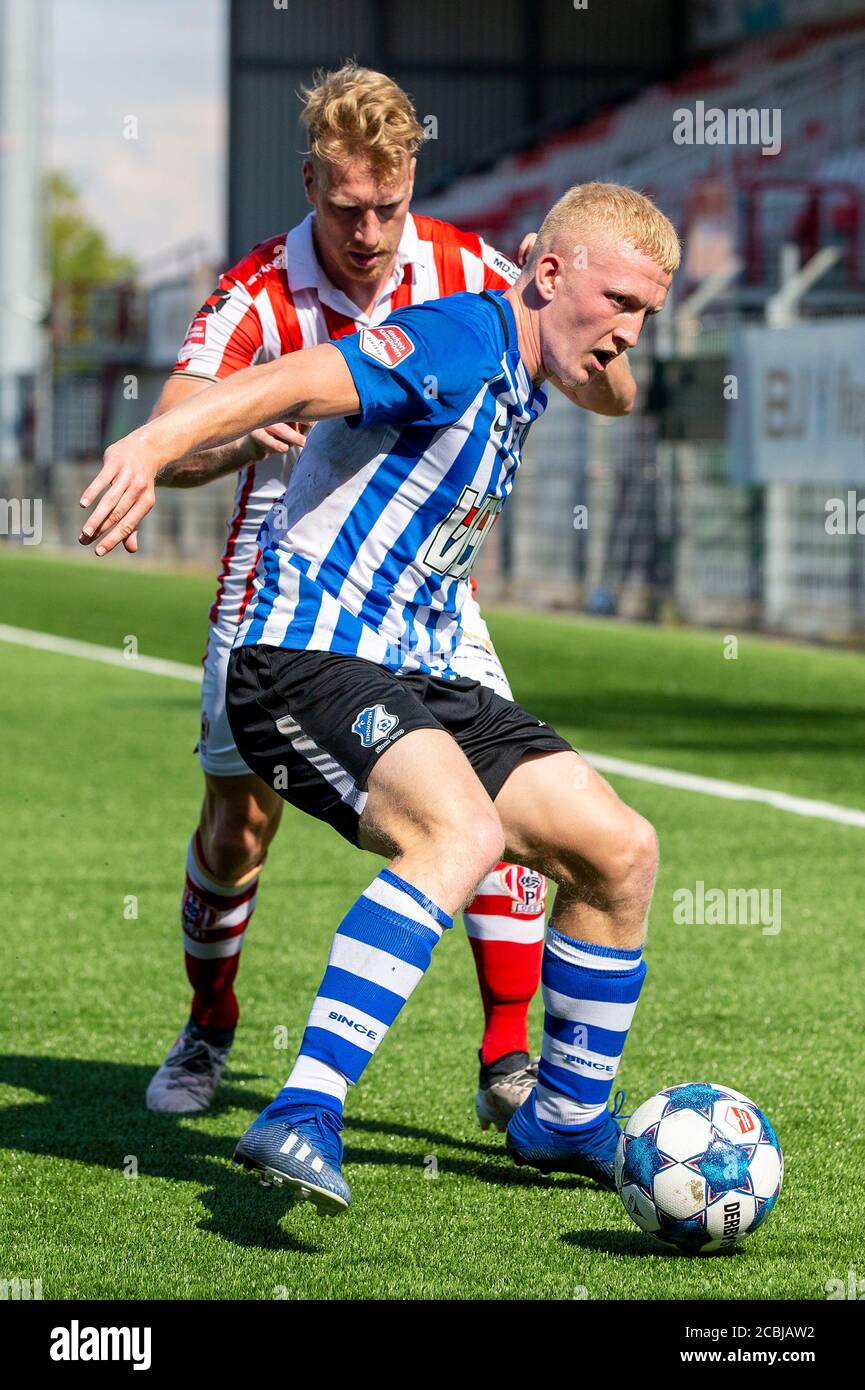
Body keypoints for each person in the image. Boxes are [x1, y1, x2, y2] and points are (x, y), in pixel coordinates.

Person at [80, 180, 679, 1215]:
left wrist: (607, 344)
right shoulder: (458, 336)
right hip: (301, 655)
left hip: (421, 664)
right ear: (546, 274)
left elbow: (611, 387)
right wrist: (152, 444)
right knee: (460, 833)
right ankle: (302, 1108)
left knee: (619, 847)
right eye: (620, 302)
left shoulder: (537, 348)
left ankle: (567, 1119)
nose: (630, 331)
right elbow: (303, 379)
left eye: (647, 316)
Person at [137, 63, 636, 1127]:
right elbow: (171, 440)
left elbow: (591, 368)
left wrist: (601, 337)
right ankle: (211, 1023)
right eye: (345, 207)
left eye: (389, 208)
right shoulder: (255, 292)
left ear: (412, 183)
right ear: (311, 180)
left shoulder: (462, 265)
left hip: (431, 604)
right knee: (238, 828)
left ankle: (509, 1062)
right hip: (284, 595)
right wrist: (231, 438)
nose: (368, 233)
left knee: (503, 811)